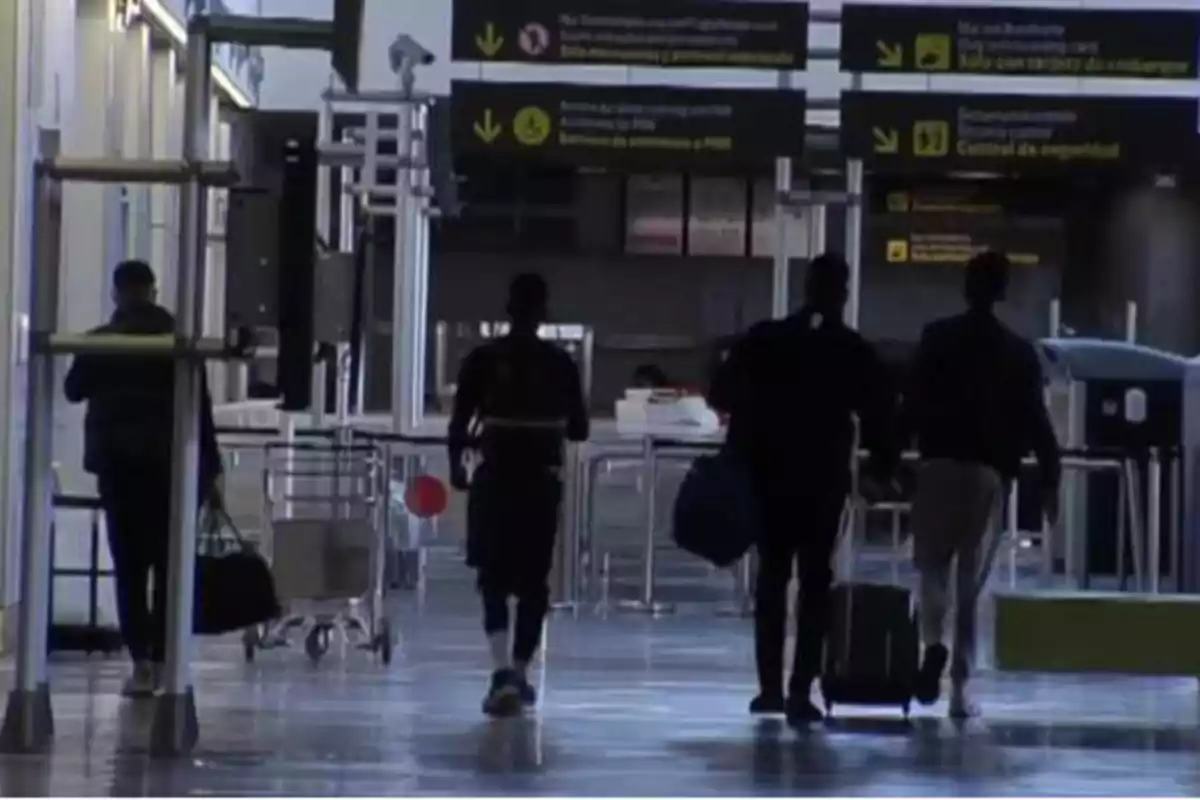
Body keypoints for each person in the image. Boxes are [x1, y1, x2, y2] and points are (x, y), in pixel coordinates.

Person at [708, 252, 899, 726]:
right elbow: (879, 415)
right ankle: (800, 691)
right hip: (822, 479)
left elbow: (721, 392)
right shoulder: (851, 348)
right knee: (816, 582)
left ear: (805, 287)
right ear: (843, 292)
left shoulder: (765, 338)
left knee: (772, 576)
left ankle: (768, 687)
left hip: (769, 475)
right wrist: (883, 466)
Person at [905, 250, 1060, 718]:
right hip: (988, 474)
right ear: (1002, 291)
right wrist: (1050, 479)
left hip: (935, 466)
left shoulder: (936, 338)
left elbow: (910, 403)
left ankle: (932, 643)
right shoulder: (1017, 352)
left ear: (964, 287)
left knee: (931, 566)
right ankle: (959, 687)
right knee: (969, 579)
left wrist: (888, 459)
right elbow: (1037, 421)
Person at [64, 260, 223, 697]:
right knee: (172, 568)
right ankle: (167, 658)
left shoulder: (101, 342)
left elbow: (72, 389)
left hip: (120, 472)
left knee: (130, 570)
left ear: (117, 293)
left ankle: (142, 664)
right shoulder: (179, 341)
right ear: (153, 291)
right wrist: (211, 469)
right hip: (175, 469)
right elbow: (200, 409)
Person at [448, 273, 589, 717]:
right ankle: (521, 670)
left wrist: (457, 467)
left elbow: (458, 421)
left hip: (494, 478)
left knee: (492, 577)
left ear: (507, 309)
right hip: (540, 482)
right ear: (545, 311)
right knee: (534, 582)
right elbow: (581, 428)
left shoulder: (483, 359)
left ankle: (498, 671)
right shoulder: (561, 364)